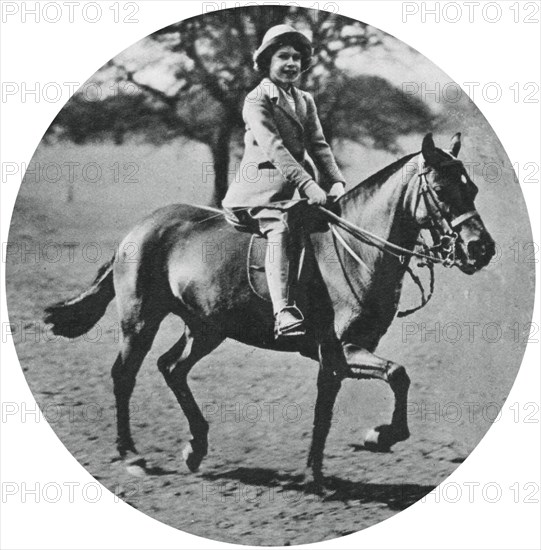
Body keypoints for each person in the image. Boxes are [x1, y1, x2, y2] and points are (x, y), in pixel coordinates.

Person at [222, 24, 347, 338]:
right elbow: (275, 148)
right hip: (257, 193)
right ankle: (283, 311)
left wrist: (335, 181)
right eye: (283, 57)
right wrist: (308, 185)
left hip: (293, 191)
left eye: (296, 57)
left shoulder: (304, 99)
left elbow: (318, 144)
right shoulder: (256, 100)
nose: (291, 63)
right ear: (267, 62)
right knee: (280, 226)